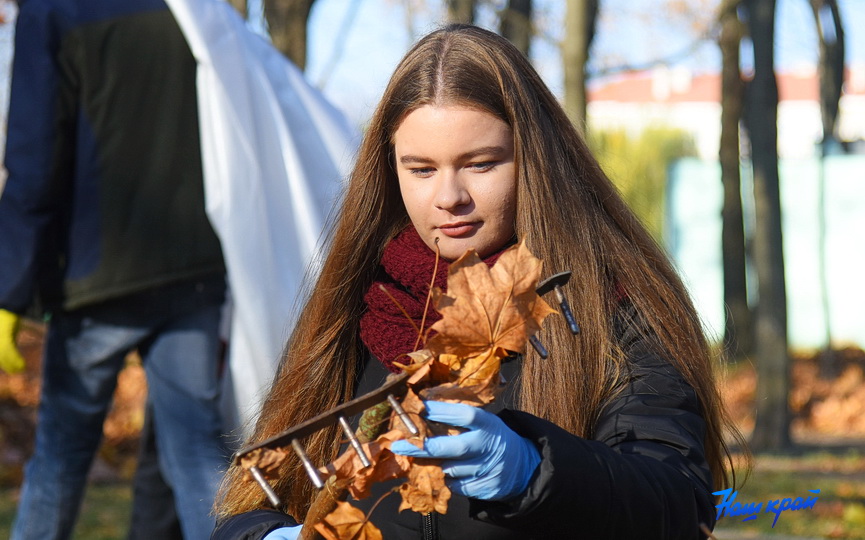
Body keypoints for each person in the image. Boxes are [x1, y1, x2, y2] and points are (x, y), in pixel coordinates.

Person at [211, 24, 744, 540]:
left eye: (482, 164)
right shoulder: (358, 304)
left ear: (534, 162)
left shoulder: (613, 308)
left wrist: (537, 473)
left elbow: (678, 503)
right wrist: (265, 536)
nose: (449, 197)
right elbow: (252, 502)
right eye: (420, 169)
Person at [0, 0, 230, 538]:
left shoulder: (52, 11)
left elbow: (33, 162)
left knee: (59, 460)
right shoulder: (191, 7)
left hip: (93, 277)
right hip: (192, 268)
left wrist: (10, 285)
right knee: (198, 455)